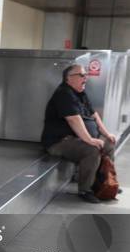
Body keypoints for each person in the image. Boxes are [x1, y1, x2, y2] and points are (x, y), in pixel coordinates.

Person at [41, 63, 117, 203]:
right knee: (92, 150)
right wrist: (90, 140)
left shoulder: (80, 93)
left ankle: (106, 181)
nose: (85, 78)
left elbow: (94, 115)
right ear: (68, 78)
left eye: (86, 75)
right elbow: (73, 120)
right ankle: (85, 189)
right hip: (60, 142)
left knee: (109, 144)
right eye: (82, 75)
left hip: (77, 139)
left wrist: (107, 134)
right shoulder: (64, 94)